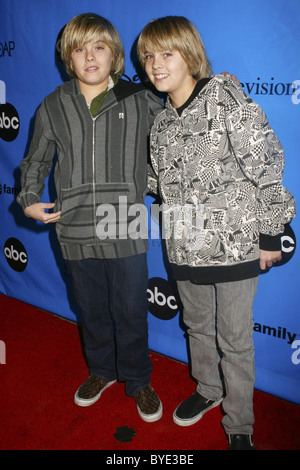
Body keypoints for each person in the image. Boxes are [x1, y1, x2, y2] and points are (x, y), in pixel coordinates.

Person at [137, 16, 296, 448]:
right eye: (148, 56)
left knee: (236, 340)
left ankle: (239, 425)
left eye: (166, 53)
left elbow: (265, 163)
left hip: (235, 245)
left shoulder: (225, 97)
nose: (155, 64)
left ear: (189, 54)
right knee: (197, 327)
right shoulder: (160, 124)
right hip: (184, 246)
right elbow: (159, 182)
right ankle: (208, 390)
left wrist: (269, 232)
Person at [17, 13, 164, 422]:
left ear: (115, 54)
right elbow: (35, 160)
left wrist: (212, 86)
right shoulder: (53, 104)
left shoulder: (140, 98)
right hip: (75, 225)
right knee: (92, 308)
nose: (90, 56)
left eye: (99, 46)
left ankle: (137, 379)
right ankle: (101, 371)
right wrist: (28, 197)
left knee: (131, 308)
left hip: (127, 223)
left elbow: (182, 112)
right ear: (68, 58)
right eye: (79, 49)